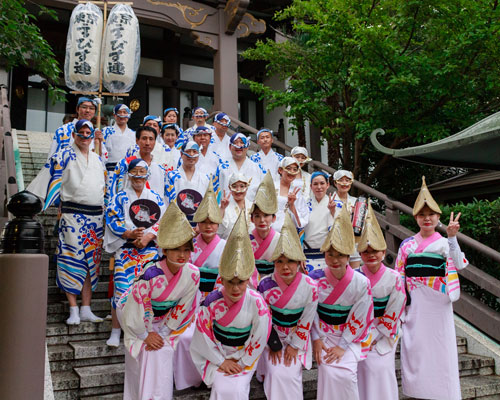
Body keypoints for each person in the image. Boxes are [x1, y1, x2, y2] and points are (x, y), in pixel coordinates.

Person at [117, 201, 200, 400]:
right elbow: (136, 307)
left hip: (163, 321)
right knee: (143, 355)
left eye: (186, 250)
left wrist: (163, 332)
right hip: (133, 315)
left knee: (162, 352)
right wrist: (146, 334)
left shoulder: (193, 274)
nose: (182, 255)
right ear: (164, 250)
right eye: (176, 249)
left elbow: (183, 306)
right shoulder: (150, 275)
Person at [395, 176, 468, 400]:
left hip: (438, 302)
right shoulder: (407, 244)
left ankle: (444, 393)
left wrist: (453, 238)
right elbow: (399, 276)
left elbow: (460, 264)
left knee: (441, 348)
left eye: (431, 215)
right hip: (415, 302)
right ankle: (419, 392)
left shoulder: (445, 242)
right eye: (422, 215)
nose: (427, 219)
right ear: (416, 217)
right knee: (415, 348)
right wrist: (401, 305)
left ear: (438, 217)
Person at [189, 210, 271, 400]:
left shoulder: (257, 302)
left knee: (235, 390)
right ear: (222, 280)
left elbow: (260, 334)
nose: (235, 288)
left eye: (240, 282)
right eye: (230, 282)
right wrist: (221, 361)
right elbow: (202, 334)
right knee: (221, 387)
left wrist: (242, 361)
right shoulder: (210, 301)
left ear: (247, 280)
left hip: (245, 355)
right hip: (217, 354)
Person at [42, 120, 106, 325]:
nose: (85, 137)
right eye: (82, 133)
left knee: (91, 264)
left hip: (95, 217)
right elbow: (53, 177)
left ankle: (86, 307)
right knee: (70, 260)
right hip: (72, 214)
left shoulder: (97, 158)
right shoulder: (64, 155)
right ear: (75, 134)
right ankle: (73, 308)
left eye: (89, 133)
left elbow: (103, 186)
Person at [310, 205, 373, 400]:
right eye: (330, 254)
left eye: (340, 255)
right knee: (328, 373)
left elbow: (360, 316)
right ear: (324, 255)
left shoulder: (361, 282)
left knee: (347, 376)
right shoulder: (314, 279)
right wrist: (317, 339)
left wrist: (343, 346)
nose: (335, 259)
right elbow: (311, 313)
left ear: (348, 257)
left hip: (349, 338)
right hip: (324, 335)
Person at [103, 159, 166, 347]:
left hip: (149, 251)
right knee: (121, 290)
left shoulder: (155, 197)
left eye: (142, 172)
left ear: (147, 175)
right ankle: (116, 330)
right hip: (126, 250)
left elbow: (162, 221)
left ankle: (145, 329)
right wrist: (129, 234)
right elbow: (112, 218)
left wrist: (147, 237)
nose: (138, 176)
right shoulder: (119, 198)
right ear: (129, 175)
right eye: (135, 172)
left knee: (149, 291)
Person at [256, 213, 318, 400]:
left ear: (299, 262)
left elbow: (307, 319)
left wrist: (295, 345)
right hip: (272, 338)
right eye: (280, 261)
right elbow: (263, 318)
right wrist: (273, 343)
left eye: (291, 261)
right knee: (275, 372)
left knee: (289, 373)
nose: (285, 267)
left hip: (296, 337)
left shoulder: (310, 286)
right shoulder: (264, 284)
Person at [172, 182, 226, 391]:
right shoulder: (190, 245)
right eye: (203, 222)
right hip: (190, 301)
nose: (208, 226)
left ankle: (213, 375)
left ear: (218, 224)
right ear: (198, 223)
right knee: (184, 337)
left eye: (212, 222)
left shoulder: (224, 246)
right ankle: (189, 378)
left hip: (216, 301)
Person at [356, 201, 406, 400]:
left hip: (385, 332)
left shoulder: (394, 278)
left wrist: (376, 334)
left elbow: (395, 310)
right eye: (366, 252)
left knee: (381, 368)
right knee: (360, 368)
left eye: (375, 250)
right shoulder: (355, 276)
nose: (371, 255)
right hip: (360, 332)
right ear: (360, 254)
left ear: (384, 253)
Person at [109, 126, 168, 201]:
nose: (147, 143)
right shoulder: (124, 164)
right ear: (137, 141)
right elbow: (114, 191)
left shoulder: (160, 169)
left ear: (155, 142)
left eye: (151, 139)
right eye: (144, 138)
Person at [166, 141, 211, 224]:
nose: (191, 155)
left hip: (199, 223)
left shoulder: (205, 178)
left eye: (194, 151)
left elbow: (208, 203)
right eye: (188, 151)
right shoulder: (172, 176)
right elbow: (168, 201)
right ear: (181, 154)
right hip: (176, 222)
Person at [249, 172, 281, 286]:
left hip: (273, 284)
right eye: (257, 216)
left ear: (274, 218)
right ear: (252, 219)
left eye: (266, 215)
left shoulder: (279, 239)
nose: (262, 220)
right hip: (250, 285)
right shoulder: (246, 239)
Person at [215, 133, 265, 202]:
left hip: (251, 210)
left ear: (247, 147)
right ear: (230, 147)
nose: (238, 146)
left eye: (242, 143)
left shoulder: (258, 168)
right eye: (235, 143)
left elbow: (263, 191)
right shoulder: (222, 168)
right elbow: (216, 192)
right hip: (227, 209)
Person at [303, 171, 336, 272]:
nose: (319, 187)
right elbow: (298, 228)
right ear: (310, 186)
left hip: (328, 255)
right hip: (307, 255)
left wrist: (333, 212)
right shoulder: (303, 205)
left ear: (328, 185)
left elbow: (340, 229)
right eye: (315, 184)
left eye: (322, 183)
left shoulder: (337, 204)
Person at [331, 169, 362, 269]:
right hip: (336, 240)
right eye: (341, 180)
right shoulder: (329, 201)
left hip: (353, 240)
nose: (344, 183)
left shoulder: (355, 201)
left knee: (355, 272)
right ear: (335, 183)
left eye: (347, 180)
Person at [273, 157, 309, 233]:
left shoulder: (297, 192)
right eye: (288, 168)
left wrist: (292, 205)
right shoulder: (271, 187)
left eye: (295, 169)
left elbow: (301, 221)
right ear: (280, 170)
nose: (292, 172)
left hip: (289, 233)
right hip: (270, 233)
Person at [218, 173, 254, 240]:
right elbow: (219, 231)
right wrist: (222, 209)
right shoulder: (223, 207)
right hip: (229, 246)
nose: (238, 190)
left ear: (247, 187)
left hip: (251, 246)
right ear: (229, 188)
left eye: (242, 186)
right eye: (234, 186)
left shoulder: (253, 206)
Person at [102, 104, 136, 174]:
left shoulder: (133, 134)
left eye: (125, 112)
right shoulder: (106, 131)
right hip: (110, 170)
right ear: (114, 115)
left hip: (128, 170)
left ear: (129, 115)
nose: (122, 115)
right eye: (119, 112)